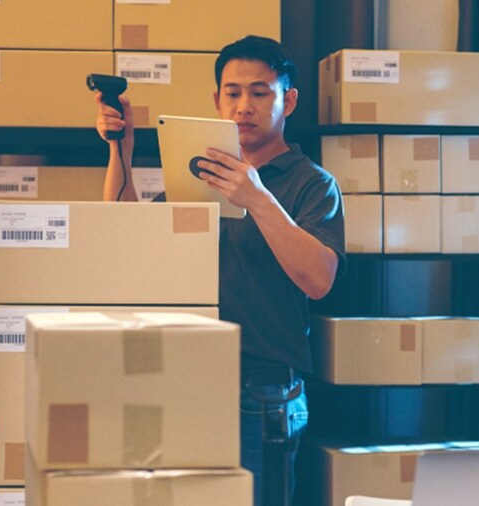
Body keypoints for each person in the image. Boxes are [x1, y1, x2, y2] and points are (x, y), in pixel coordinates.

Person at [94, 35, 345, 506]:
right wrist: (121, 150)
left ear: (288, 99)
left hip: (262, 390)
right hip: (186, 375)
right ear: (216, 100)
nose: (243, 105)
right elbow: (126, 239)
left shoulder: (312, 184)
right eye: (232, 93)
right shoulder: (201, 171)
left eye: (260, 92)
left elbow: (319, 278)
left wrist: (256, 198)